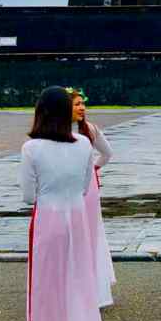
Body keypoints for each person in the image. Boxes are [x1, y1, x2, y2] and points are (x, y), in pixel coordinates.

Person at [20, 86, 114, 321]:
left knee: (47, 295)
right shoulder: (85, 144)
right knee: (82, 291)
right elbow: (87, 186)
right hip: (76, 219)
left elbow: (27, 196)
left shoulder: (31, 149)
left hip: (48, 220)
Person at [68, 88, 116, 308]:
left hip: (87, 188)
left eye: (82, 103)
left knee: (88, 235)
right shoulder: (53, 131)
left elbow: (107, 153)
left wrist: (92, 168)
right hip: (64, 188)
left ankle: (92, 289)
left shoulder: (90, 130)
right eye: (77, 104)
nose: (82, 107)